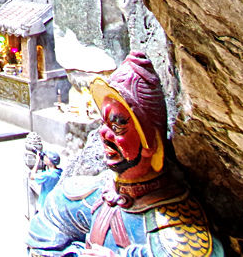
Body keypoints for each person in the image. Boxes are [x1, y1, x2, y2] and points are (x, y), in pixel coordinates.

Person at [27, 51, 225, 256]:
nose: (104, 134)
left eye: (118, 126)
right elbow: (42, 234)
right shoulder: (90, 193)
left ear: (149, 141)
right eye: (104, 123)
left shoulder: (178, 220)